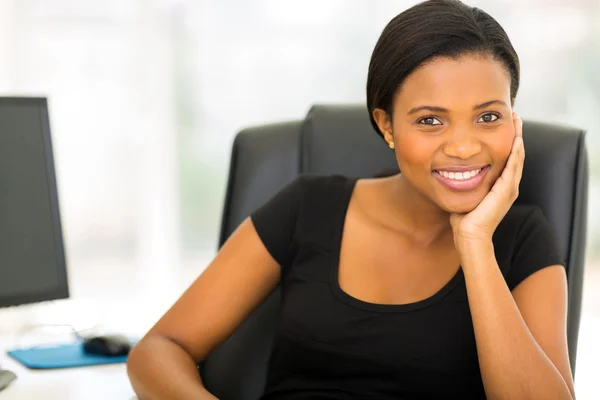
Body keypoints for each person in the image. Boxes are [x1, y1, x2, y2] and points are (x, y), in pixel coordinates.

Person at [127, 0, 576, 399]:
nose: (463, 146)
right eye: (430, 121)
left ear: (514, 121)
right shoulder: (308, 207)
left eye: (488, 116)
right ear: (386, 125)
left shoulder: (524, 238)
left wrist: (476, 243)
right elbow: (159, 349)